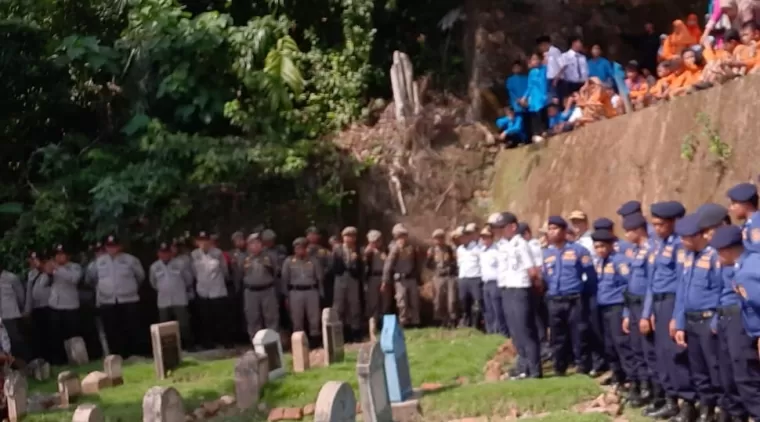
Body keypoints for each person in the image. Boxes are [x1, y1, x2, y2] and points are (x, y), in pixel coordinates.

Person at [642, 201, 695, 420]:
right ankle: (670, 399)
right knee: (662, 354)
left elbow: (683, 282)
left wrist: (676, 316)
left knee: (676, 355)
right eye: (654, 225)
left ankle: (688, 403)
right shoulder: (657, 244)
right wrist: (648, 311)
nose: (657, 229)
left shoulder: (679, 246)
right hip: (658, 302)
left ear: (674, 223)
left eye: (661, 225)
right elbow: (652, 280)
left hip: (673, 302)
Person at [672, 213, 722, 422]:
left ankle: (720, 410)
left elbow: (722, 291)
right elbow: (682, 292)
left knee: (714, 367)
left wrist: (716, 321)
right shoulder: (688, 257)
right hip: (690, 320)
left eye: (686, 238)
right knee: (698, 368)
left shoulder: (714, 257)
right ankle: (705, 408)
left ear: (698, 236)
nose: (682, 242)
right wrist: (679, 322)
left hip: (707, 320)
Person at [710, 224, 760, 421]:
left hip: (752, 332)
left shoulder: (746, 274)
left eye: (718, 253)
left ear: (728, 251)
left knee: (748, 383)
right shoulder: (752, 260)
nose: (717, 258)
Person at [542, 216, 597, 376]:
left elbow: (590, 276)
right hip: (554, 299)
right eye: (550, 229)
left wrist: (582, 292)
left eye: (556, 228)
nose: (552, 232)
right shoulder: (547, 253)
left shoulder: (579, 250)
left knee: (579, 333)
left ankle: (582, 367)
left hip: (574, 299)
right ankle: (559, 367)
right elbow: (546, 276)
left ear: (565, 231)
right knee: (557, 336)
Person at [497, 212, 542, 379]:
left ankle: (535, 370)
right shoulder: (502, 244)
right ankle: (523, 367)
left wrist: (535, 289)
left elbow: (532, 270)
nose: (501, 231)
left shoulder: (521, 244)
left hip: (521, 288)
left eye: (503, 227)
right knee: (515, 331)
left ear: (513, 227)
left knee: (526, 330)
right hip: (507, 289)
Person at [88, 234, 146, 358]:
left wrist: (129, 288)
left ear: (120, 246)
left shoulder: (130, 260)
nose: (112, 249)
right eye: (109, 246)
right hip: (108, 301)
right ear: (105, 247)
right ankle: (117, 356)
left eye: (114, 246)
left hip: (128, 299)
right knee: (112, 330)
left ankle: (135, 354)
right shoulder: (99, 262)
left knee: (132, 328)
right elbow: (91, 279)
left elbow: (140, 276)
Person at [621, 213, 656, 407]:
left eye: (628, 231)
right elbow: (629, 283)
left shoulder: (651, 250)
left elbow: (651, 284)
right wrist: (626, 313)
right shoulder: (634, 251)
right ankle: (643, 387)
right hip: (632, 303)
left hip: (644, 304)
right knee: (636, 348)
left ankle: (654, 390)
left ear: (639, 230)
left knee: (648, 349)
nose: (625, 235)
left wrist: (646, 314)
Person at [591, 229, 634, 390]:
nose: (600, 250)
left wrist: (626, 311)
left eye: (603, 246)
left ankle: (632, 379)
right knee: (609, 345)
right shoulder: (600, 262)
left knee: (622, 344)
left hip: (617, 306)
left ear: (610, 245)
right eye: (596, 247)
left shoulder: (620, 261)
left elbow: (629, 284)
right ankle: (618, 376)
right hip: (604, 308)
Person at [149, 241, 194, 350]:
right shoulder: (154, 267)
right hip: (163, 300)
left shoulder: (180, 263)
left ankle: (188, 347)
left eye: (167, 252)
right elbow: (153, 283)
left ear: (171, 253)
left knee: (184, 324)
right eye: (162, 253)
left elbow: (188, 280)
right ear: (158, 254)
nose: (164, 255)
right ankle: (168, 349)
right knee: (165, 326)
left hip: (179, 298)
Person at [191, 230, 231, 349]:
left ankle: (226, 342)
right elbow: (193, 272)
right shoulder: (194, 255)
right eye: (201, 241)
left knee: (221, 318)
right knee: (205, 319)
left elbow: (225, 271)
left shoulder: (218, 253)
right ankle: (208, 343)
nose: (204, 243)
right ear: (197, 242)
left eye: (206, 240)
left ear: (210, 241)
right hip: (203, 291)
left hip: (217, 290)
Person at [517, 222, 550, 359]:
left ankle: (544, 346)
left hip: (536, 285)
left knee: (538, 318)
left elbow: (536, 268)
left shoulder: (532, 246)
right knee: (538, 317)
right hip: (537, 284)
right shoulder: (534, 245)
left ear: (526, 234)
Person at [282, 238, 323, 343]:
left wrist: (321, 293)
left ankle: (315, 340)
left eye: (302, 248)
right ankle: (298, 342)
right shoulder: (289, 262)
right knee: (297, 318)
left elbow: (319, 278)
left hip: (311, 291)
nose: (300, 251)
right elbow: (284, 280)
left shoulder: (313, 261)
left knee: (314, 317)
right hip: (295, 292)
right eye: (297, 248)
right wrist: (286, 296)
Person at [241, 233, 280, 340]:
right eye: (252, 243)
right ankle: (256, 343)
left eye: (258, 243)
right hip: (251, 291)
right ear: (248, 245)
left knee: (271, 317)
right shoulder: (244, 257)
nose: (255, 245)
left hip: (267, 289)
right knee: (253, 318)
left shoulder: (270, 256)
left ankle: (273, 343)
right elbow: (238, 274)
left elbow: (276, 272)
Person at [383, 224, 420, 327]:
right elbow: (388, 265)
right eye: (400, 236)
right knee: (402, 302)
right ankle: (404, 322)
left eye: (404, 235)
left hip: (411, 278)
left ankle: (415, 321)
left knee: (414, 301)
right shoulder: (393, 248)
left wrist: (418, 277)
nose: (402, 238)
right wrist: (385, 280)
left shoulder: (411, 248)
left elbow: (416, 263)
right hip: (400, 279)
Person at [331, 226, 364, 341]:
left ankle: (355, 331)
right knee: (339, 306)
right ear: (343, 237)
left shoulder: (358, 250)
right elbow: (333, 266)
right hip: (340, 279)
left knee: (354, 305)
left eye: (352, 236)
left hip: (353, 279)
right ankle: (338, 333)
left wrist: (355, 261)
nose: (350, 239)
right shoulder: (337, 249)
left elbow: (362, 267)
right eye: (347, 236)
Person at [426, 229, 458, 329]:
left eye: (441, 238)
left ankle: (452, 321)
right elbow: (428, 265)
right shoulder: (432, 250)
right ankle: (440, 321)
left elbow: (455, 262)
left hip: (449, 277)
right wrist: (436, 271)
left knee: (451, 300)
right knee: (439, 300)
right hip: (438, 277)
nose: (439, 240)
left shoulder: (449, 249)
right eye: (437, 238)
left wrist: (451, 269)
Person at [24, 251, 52, 362]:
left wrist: (42, 267)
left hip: (48, 307)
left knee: (50, 334)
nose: (34, 262)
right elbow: (29, 293)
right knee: (39, 336)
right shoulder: (31, 275)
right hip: (36, 309)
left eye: (36, 260)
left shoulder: (47, 272)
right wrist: (27, 310)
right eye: (32, 260)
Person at [455, 223, 482, 328]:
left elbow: (481, 263)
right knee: (463, 301)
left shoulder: (477, 248)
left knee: (477, 302)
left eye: (464, 236)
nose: (462, 239)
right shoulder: (459, 249)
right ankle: (466, 322)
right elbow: (459, 264)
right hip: (463, 278)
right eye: (460, 237)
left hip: (475, 278)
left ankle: (476, 324)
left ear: (468, 237)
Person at [520, 52, 550, 143]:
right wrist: (524, 97)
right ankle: (537, 133)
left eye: (537, 59)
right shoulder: (531, 73)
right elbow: (529, 87)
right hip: (534, 97)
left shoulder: (544, 69)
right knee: (535, 115)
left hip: (543, 95)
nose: (535, 61)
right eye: (533, 59)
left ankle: (544, 131)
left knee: (543, 114)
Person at [363, 230, 389, 327]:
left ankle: (385, 324)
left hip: (383, 277)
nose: (375, 244)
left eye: (377, 241)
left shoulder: (385, 251)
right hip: (372, 278)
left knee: (385, 302)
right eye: (372, 242)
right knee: (373, 302)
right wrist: (365, 255)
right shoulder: (367, 252)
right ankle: (374, 324)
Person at [726, 182, 760, 253]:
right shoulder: (748, 223)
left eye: (734, 204)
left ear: (746, 204)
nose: (731, 208)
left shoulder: (757, 224)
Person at [555, 36, 589, 102]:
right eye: (579, 42)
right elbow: (560, 72)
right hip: (570, 85)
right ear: (574, 43)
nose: (581, 45)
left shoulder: (583, 58)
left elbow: (586, 72)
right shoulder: (565, 56)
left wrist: (586, 83)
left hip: (582, 85)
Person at [536, 35, 563, 100]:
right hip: (549, 80)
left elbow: (562, 65)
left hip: (556, 80)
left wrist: (557, 78)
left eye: (540, 46)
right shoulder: (545, 54)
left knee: (556, 99)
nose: (540, 48)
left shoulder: (554, 51)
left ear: (545, 44)